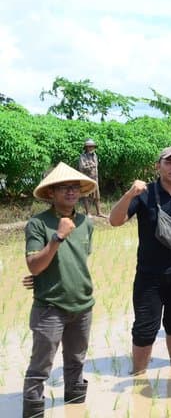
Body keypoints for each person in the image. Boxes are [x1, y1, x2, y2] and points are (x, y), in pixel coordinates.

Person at [108, 146, 171, 375]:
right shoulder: (144, 193)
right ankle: (138, 375)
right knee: (145, 327)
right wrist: (129, 194)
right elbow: (114, 221)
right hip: (149, 274)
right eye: (169, 162)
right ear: (158, 166)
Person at [22, 162, 98, 417]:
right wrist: (58, 237)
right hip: (50, 307)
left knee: (76, 364)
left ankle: (76, 410)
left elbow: (76, 261)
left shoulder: (86, 223)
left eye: (74, 187)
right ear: (51, 194)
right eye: (63, 188)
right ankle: (33, 412)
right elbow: (34, 265)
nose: (70, 192)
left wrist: (48, 272)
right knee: (40, 368)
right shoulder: (38, 224)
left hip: (83, 305)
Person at [77, 138, 107, 218]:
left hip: (95, 178)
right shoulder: (82, 156)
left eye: (92, 147)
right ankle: (88, 213)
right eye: (89, 147)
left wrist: (91, 165)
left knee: (97, 196)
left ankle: (99, 212)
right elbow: (81, 167)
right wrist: (90, 165)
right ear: (86, 148)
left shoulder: (95, 155)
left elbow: (95, 165)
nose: (91, 148)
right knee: (86, 195)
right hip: (86, 178)